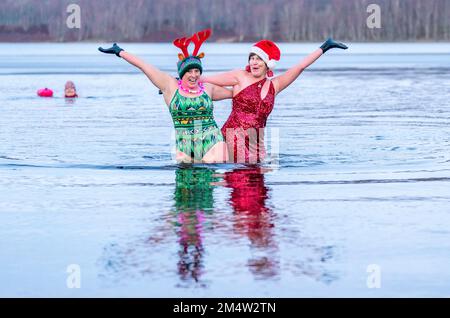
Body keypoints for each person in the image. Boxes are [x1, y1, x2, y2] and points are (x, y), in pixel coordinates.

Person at [202, 38, 348, 163]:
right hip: (233, 138)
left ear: (267, 64)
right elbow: (205, 80)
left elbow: (300, 67)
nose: (254, 62)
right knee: (242, 186)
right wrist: (182, 78)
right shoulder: (240, 76)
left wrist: (325, 47)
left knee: (259, 191)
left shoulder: (275, 85)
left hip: (256, 143)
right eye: (252, 58)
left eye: (258, 59)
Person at [98, 29, 231, 163]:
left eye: (197, 71)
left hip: (213, 141)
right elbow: (144, 66)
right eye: (189, 71)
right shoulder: (169, 86)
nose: (194, 75)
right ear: (182, 73)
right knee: (187, 178)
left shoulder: (208, 88)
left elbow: (237, 93)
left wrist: (250, 74)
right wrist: (119, 51)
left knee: (214, 170)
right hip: (185, 145)